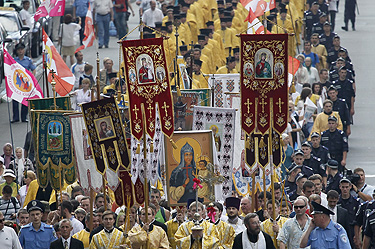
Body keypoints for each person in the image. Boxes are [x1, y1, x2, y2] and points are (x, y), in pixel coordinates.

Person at [12, 43, 36, 123]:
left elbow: (33, 69)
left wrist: (31, 79)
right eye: (19, 49)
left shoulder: (28, 60)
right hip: (16, 83)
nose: (20, 51)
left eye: (22, 49)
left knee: (25, 100)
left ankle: (24, 117)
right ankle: (15, 117)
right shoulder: (14, 61)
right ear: (16, 51)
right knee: (15, 100)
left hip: (25, 83)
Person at [337, 178, 360, 248]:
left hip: (352, 230)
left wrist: (357, 236)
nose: (345, 189)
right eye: (343, 187)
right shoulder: (336, 201)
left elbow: (358, 220)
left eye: (347, 187)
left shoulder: (355, 202)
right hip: (339, 229)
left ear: (350, 187)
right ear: (340, 187)